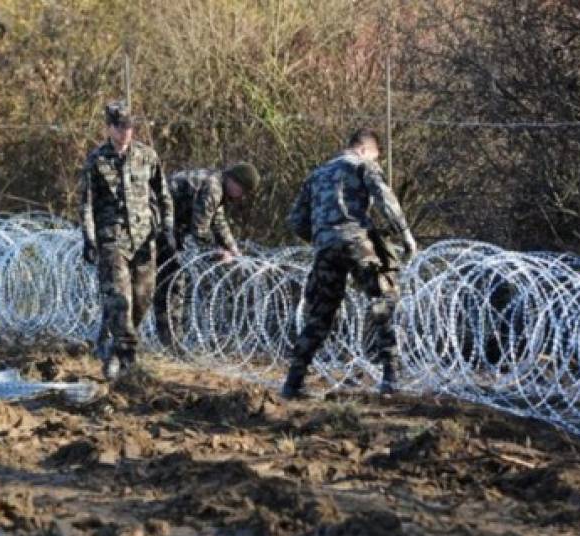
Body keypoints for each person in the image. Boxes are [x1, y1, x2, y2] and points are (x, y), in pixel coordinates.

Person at [281, 128, 417, 399]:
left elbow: (295, 220)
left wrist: (322, 237)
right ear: (366, 149)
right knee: (383, 301)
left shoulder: (316, 175)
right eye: (377, 155)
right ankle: (391, 378)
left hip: (325, 249)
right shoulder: (363, 166)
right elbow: (386, 201)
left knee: (320, 314)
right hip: (358, 243)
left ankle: (293, 383)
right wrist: (405, 236)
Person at [79, 101, 174, 379]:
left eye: (129, 128)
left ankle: (113, 348)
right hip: (113, 240)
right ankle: (128, 357)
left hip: (144, 239)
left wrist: (167, 227)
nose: (125, 134)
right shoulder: (96, 161)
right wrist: (89, 238)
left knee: (142, 299)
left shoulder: (147, 156)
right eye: (120, 128)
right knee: (120, 300)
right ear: (108, 128)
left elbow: (163, 194)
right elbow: (86, 204)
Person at [153, 163, 259, 348]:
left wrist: (233, 249)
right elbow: (200, 230)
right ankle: (170, 344)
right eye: (242, 190)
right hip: (157, 223)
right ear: (234, 182)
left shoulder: (216, 183)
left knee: (168, 281)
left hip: (165, 224)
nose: (241, 196)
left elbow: (218, 221)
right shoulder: (213, 187)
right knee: (172, 281)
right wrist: (218, 252)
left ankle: (169, 342)